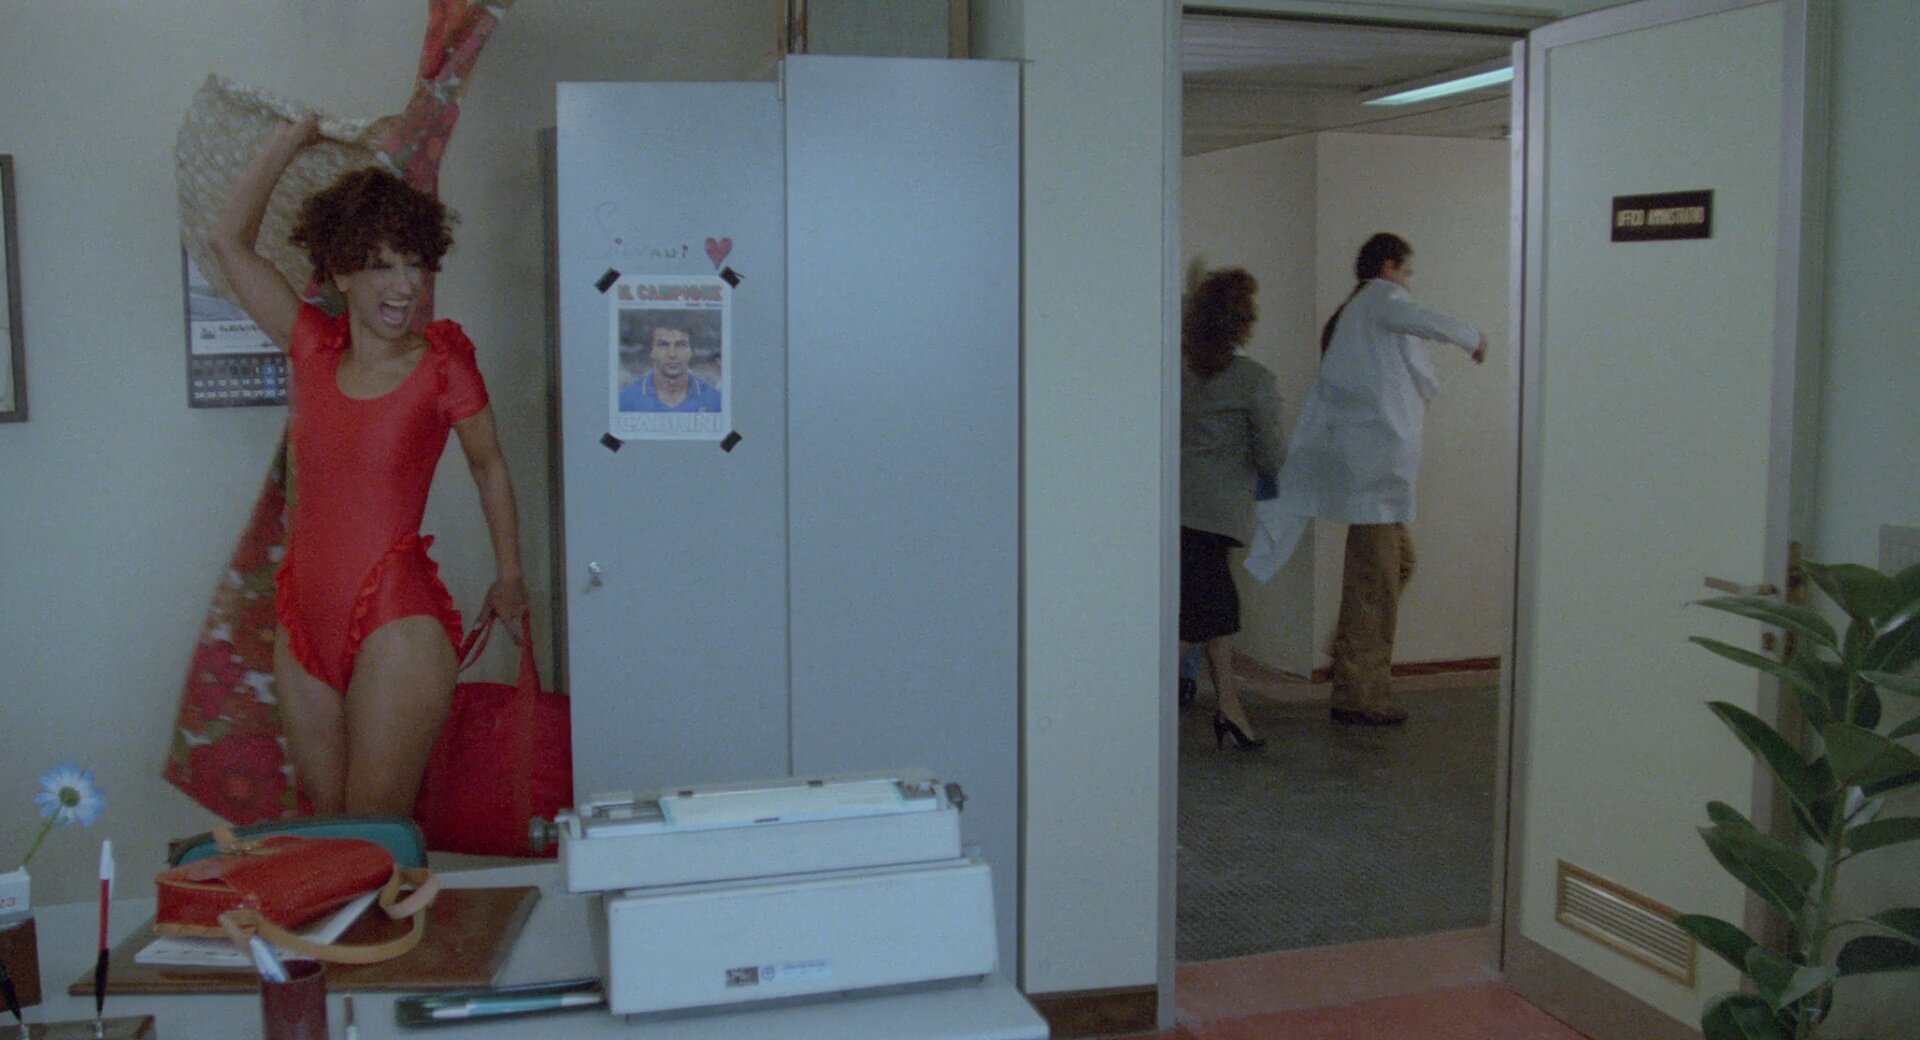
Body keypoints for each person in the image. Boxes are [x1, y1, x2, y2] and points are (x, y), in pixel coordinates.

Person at [210, 114, 527, 815]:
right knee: (331, 839)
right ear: (342, 272)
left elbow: (489, 466)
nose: (404, 285)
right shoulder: (312, 349)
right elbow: (229, 240)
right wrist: (290, 140)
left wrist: (509, 576)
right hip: (304, 623)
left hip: (396, 622)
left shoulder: (442, 364)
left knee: (374, 834)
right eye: (382, 265)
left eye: (414, 263)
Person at [1275, 233, 1486, 727]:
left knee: (1394, 567)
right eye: (1406, 271)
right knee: (1377, 584)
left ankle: (1349, 651)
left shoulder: (1358, 315)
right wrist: (1472, 338)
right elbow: (1421, 319)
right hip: (1376, 473)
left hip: (1373, 474)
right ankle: (1360, 692)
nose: (1408, 282)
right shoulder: (1379, 299)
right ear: (1389, 266)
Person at [1180, 268, 1285, 751]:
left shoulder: (1180, 373)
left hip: (1175, 508)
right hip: (1216, 514)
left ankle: (1229, 708)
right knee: (1204, 617)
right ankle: (1130, 717)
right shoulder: (1254, 381)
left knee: (1211, 615)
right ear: (1242, 322)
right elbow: (1271, 457)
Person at [617, 319, 722, 412]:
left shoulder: (716, 401)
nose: (672, 354)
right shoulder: (625, 401)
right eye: (663, 345)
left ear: (690, 352)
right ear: (652, 352)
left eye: (680, 345)